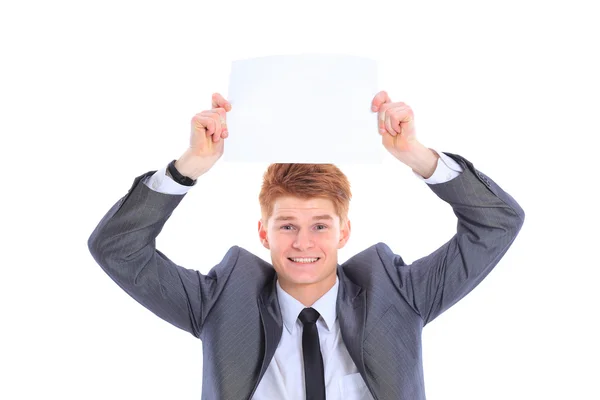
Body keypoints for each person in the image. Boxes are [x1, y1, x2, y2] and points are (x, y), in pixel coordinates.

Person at [88, 91, 525, 400]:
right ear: (263, 233)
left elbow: (496, 223)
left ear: (344, 232)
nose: (302, 242)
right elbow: (117, 248)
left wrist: (415, 154)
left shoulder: (399, 295)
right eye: (286, 226)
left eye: (319, 226)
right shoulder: (221, 302)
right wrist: (188, 168)